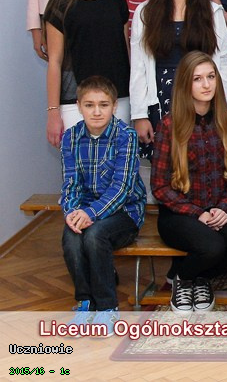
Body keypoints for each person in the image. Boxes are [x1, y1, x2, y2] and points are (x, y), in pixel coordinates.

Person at [151, 52, 227, 314]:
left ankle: (199, 278)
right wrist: (198, 214)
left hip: (218, 207)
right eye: (198, 79)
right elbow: (160, 186)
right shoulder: (169, 125)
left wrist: (224, 207)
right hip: (179, 213)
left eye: (211, 77)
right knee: (212, 247)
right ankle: (183, 279)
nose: (206, 84)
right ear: (185, 84)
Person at [130, 0, 227, 154]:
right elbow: (138, 67)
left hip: (204, 104)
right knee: (164, 167)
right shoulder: (145, 12)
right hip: (160, 103)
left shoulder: (213, 12)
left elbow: (222, 66)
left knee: (202, 163)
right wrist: (139, 115)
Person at [60, 76, 146, 329]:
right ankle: (85, 302)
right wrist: (72, 212)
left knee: (95, 234)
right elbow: (70, 183)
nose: (96, 112)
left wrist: (91, 214)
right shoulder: (71, 137)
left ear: (114, 106)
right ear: (79, 106)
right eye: (89, 105)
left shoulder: (126, 136)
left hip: (125, 211)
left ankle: (107, 306)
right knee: (71, 236)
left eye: (103, 105)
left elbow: (122, 188)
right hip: (86, 209)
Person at [43, 0, 131, 148]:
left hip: (119, 99)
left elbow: (126, 51)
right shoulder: (61, 3)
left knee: (118, 166)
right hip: (75, 102)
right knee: (80, 168)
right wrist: (53, 112)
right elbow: (55, 61)